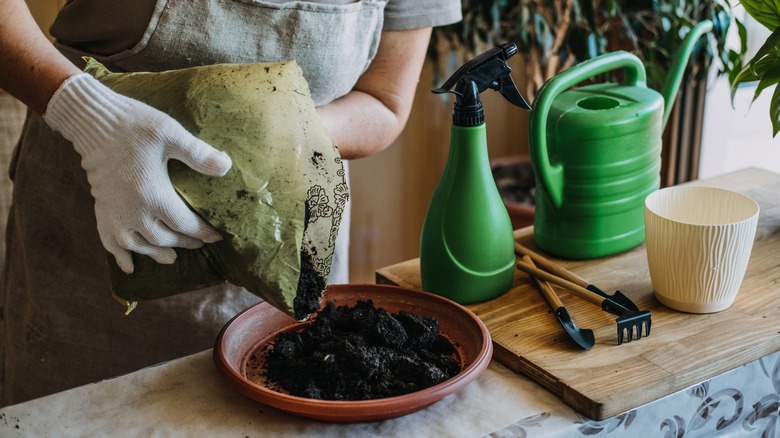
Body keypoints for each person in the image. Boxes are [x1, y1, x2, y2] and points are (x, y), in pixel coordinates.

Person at [0, 0, 462, 406]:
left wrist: (276, 131)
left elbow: (384, 102)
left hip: (290, 247)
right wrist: (81, 109)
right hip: (91, 250)